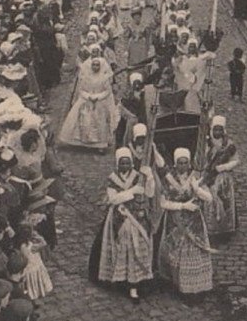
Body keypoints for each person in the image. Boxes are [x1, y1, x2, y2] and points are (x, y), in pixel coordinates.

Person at [89, 147, 155, 302]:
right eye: (122, 163)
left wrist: (150, 178)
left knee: (138, 248)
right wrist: (132, 191)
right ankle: (122, 280)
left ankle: (136, 283)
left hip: (137, 218)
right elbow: (113, 199)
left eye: (127, 162)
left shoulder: (138, 176)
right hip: (119, 218)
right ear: (117, 164)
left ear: (131, 163)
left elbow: (149, 193)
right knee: (122, 248)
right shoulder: (112, 179)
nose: (125, 165)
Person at [156, 147, 215, 297]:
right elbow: (163, 203)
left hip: (194, 223)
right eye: (180, 163)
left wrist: (197, 189)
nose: (183, 166)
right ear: (175, 164)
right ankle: (177, 286)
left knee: (194, 251)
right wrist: (182, 206)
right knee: (175, 252)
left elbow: (209, 198)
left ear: (189, 164)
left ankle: (195, 287)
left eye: (185, 163)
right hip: (175, 222)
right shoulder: (169, 180)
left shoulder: (195, 177)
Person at [58, 56, 119, 152]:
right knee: (83, 121)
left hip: (99, 102)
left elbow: (107, 91)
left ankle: (100, 145)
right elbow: (81, 89)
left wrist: (97, 97)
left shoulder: (104, 78)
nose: (95, 67)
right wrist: (88, 96)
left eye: (97, 65)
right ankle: (81, 142)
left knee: (100, 123)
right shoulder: (86, 77)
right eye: (93, 65)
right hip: (86, 100)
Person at [195, 115, 239, 240]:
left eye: (220, 129)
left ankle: (224, 230)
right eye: (215, 129)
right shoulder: (206, 143)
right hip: (208, 174)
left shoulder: (229, 145)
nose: (217, 132)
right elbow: (200, 157)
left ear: (223, 130)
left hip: (223, 177)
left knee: (222, 201)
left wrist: (223, 167)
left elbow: (236, 161)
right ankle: (208, 229)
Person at [14, 224, 53, 301]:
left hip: (29, 267)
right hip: (34, 266)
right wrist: (40, 238)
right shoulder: (30, 246)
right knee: (36, 282)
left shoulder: (21, 245)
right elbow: (44, 244)